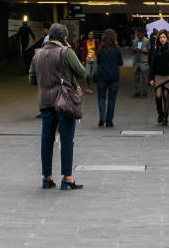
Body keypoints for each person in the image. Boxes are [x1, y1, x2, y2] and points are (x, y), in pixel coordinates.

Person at [29, 23, 86, 190]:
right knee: (66, 138)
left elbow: (32, 79)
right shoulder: (65, 52)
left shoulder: (37, 54)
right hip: (64, 101)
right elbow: (82, 72)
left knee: (47, 139)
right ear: (64, 38)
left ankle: (47, 177)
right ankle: (67, 177)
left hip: (45, 102)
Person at [148, 30, 169, 126]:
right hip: (157, 75)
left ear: (167, 38)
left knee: (166, 95)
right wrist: (151, 78)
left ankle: (165, 117)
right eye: (161, 37)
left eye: (164, 37)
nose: (162, 39)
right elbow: (152, 64)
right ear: (158, 39)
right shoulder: (155, 49)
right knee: (158, 96)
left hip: (168, 75)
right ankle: (160, 114)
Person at [95, 28, 121, 128]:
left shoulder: (100, 49)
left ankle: (102, 116)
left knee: (101, 97)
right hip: (114, 77)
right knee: (112, 98)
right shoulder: (117, 49)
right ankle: (109, 121)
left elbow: (98, 62)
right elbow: (121, 62)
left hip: (102, 76)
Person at [132, 29, 150, 97]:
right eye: (137, 34)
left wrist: (141, 50)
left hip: (144, 62)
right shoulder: (135, 41)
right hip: (136, 61)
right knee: (136, 78)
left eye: (139, 34)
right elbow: (132, 51)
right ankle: (137, 92)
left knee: (145, 78)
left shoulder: (147, 40)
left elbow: (149, 51)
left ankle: (145, 92)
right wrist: (135, 50)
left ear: (143, 33)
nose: (138, 35)